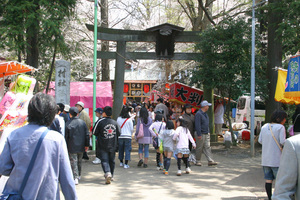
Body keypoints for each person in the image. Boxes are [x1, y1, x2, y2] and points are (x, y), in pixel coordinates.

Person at [0, 92, 78, 199]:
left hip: (17, 195)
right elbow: (66, 179)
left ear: (29, 112)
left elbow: (4, 168)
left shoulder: (14, 135)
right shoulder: (57, 139)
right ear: (51, 114)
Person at [258, 110, 287, 200]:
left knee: (268, 180)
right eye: (285, 118)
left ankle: (269, 198)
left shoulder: (264, 126)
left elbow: (260, 141)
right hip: (277, 159)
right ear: (280, 119)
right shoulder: (280, 127)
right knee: (279, 180)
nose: (285, 120)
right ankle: (277, 197)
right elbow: (283, 141)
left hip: (265, 159)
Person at [93, 106, 120, 184]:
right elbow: (119, 132)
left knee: (104, 160)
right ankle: (111, 174)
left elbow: (94, 132)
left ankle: (107, 173)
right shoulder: (114, 122)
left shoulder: (100, 121)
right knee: (112, 160)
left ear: (104, 113)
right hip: (113, 144)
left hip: (103, 144)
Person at [65, 107, 90, 185]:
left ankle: (75, 177)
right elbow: (87, 134)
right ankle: (79, 175)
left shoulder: (68, 123)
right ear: (77, 114)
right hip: (81, 145)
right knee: (79, 161)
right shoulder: (82, 123)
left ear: (70, 114)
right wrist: (87, 144)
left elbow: (66, 136)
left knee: (73, 161)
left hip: (71, 146)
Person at [273, 134, 300, 199]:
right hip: (279, 157)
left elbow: (260, 140)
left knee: (268, 178)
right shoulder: (295, 144)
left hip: (269, 158)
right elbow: (282, 192)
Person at [194, 100, 217, 166]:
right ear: (204, 106)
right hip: (201, 133)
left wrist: (208, 131)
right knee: (199, 147)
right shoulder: (198, 114)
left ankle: (210, 160)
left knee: (207, 147)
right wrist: (199, 134)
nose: (208, 107)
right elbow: (197, 125)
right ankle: (197, 160)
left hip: (206, 133)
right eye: (207, 106)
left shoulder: (205, 114)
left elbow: (206, 124)